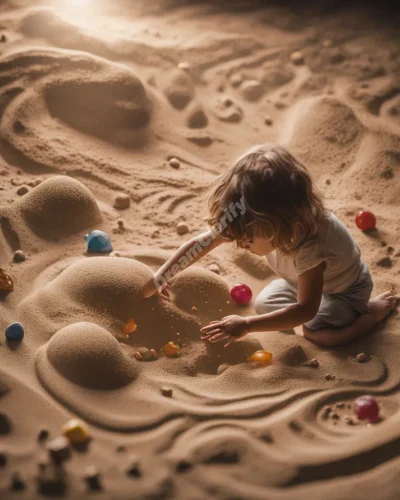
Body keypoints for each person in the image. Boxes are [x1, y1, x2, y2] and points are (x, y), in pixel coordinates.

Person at [142, 143, 397, 348]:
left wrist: (248, 325)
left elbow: (306, 310)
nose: (240, 244)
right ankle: (285, 339)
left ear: (279, 224)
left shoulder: (311, 245)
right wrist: (163, 276)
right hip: (299, 283)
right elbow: (203, 242)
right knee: (265, 303)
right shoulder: (246, 213)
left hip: (344, 293)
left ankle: (371, 314)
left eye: (248, 239)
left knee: (315, 332)